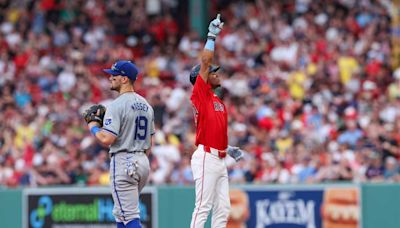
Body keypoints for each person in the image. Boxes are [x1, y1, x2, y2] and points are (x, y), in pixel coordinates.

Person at [83, 60, 155, 228]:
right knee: (121, 213)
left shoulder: (116, 105)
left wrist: (93, 127)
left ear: (124, 79)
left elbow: (107, 139)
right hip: (142, 161)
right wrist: (139, 159)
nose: (110, 78)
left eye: (114, 75)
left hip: (123, 160)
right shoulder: (146, 105)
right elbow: (150, 143)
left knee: (129, 216)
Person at [189, 14, 244, 228]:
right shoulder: (199, 93)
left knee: (224, 208)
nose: (216, 73)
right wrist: (211, 36)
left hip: (219, 157)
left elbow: (213, 128)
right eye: (212, 72)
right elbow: (206, 61)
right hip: (206, 157)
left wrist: (227, 148)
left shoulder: (216, 100)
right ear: (201, 79)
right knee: (203, 206)